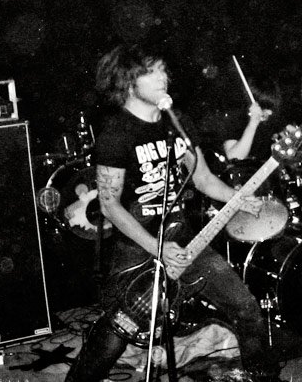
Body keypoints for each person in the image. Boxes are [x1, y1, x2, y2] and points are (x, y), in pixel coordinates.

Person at [65, 44, 284, 382]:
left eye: (163, 70)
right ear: (128, 82)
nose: (163, 78)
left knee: (246, 308)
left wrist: (238, 198)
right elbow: (110, 204)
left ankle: (260, 377)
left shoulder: (177, 122)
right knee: (119, 329)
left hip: (186, 240)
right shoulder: (116, 134)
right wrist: (157, 248)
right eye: (152, 72)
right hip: (139, 244)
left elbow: (202, 178)